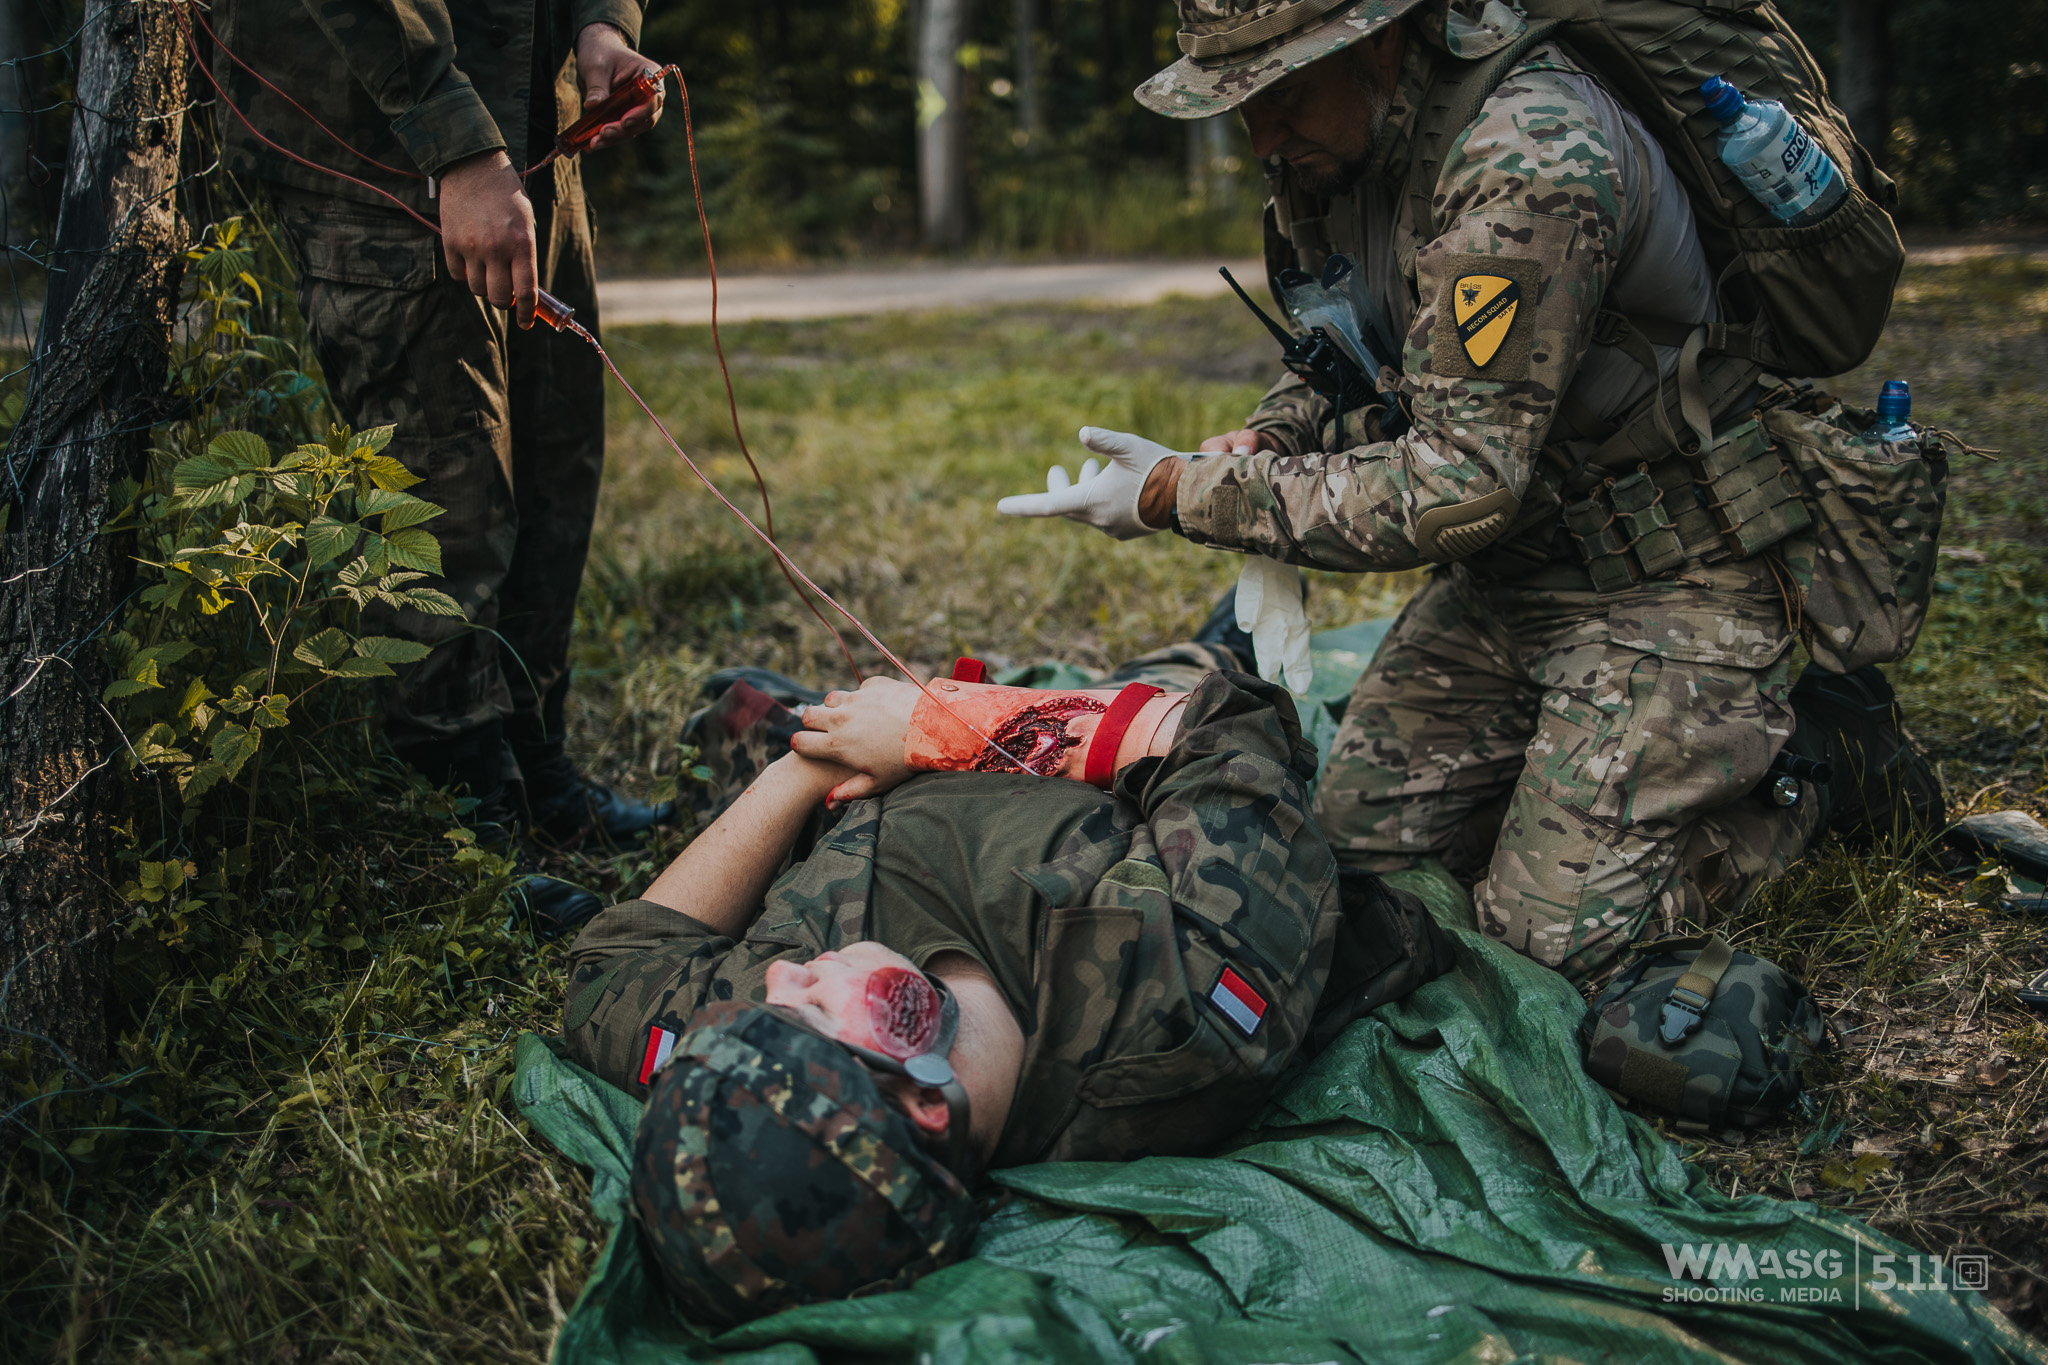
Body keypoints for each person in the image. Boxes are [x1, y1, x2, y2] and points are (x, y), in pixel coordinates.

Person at [998, 0, 1824, 980]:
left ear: (1380, 42)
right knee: (1353, 850)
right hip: (1517, 577)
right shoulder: (1336, 158)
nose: (1262, 134)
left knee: (1547, 946)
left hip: (1675, 582)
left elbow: (1458, 485)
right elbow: (1336, 341)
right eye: (1240, 106)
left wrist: (1180, 493)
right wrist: (1266, 437)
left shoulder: (1527, 158)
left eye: (1284, 92)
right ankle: (1590, 774)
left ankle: (1810, 776)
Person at [559, 652, 1450, 1323]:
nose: (783, 978)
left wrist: (801, 769)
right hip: (1097, 717)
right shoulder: (1179, 1002)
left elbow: (612, 969)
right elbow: (1230, 727)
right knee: (1201, 659)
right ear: (924, 1103)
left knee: (753, 726)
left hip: (872, 772)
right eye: (803, 1014)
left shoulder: (769, 1062)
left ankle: (780, 725)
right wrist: (942, 725)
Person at [213, 0, 671, 928]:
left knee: (555, 456)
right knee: (442, 494)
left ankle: (535, 764)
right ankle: (459, 829)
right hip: (384, 154)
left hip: (532, 140)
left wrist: (601, 23)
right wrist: (455, 146)